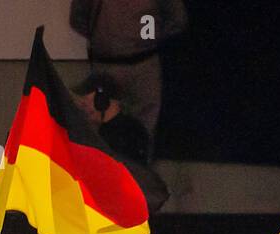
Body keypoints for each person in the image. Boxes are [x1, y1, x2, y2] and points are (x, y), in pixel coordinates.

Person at [69, 0, 190, 144]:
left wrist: (102, 37)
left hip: (110, 63)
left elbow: (78, 20)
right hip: (142, 62)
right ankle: (137, 161)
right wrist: (149, 37)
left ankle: (114, 162)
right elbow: (176, 20)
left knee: (105, 123)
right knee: (142, 125)